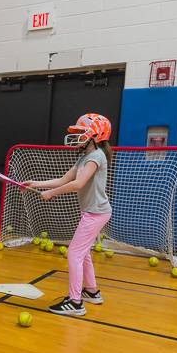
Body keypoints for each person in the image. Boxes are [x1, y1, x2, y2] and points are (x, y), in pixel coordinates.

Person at [26, 113, 113, 317]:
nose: (77, 137)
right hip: (93, 213)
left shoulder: (96, 156)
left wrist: (51, 194)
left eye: (82, 133)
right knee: (83, 254)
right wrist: (36, 184)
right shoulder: (85, 157)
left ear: (95, 136)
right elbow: (64, 179)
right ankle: (92, 291)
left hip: (96, 213)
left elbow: (78, 184)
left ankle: (75, 302)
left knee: (74, 253)